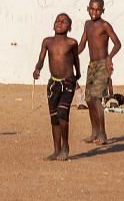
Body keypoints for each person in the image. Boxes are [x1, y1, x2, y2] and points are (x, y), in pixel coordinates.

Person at [33, 13, 81, 161]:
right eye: (57, 20)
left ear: (70, 27)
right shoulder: (47, 42)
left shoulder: (72, 43)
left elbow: (75, 59)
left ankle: (65, 146)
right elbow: (41, 59)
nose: (59, 23)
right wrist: (37, 69)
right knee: (54, 118)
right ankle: (56, 150)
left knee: (62, 113)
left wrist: (78, 73)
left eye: (64, 21)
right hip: (53, 83)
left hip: (67, 82)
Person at [78, 0, 121, 145]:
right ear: (88, 8)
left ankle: (103, 133)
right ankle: (94, 133)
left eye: (98, 9)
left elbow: (117, 43)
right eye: (92, 8)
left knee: (96, 97)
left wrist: (109, 58)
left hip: (103, 65)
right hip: (92, 66)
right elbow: (82, 44)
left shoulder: (105, 26)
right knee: (89, 99)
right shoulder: (87, 25)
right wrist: (71, 54)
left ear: (103, 10)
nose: (94, 12)